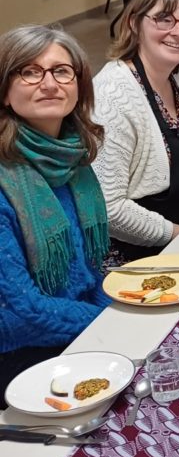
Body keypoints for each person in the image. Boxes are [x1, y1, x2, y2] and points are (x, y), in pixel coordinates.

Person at [0, 25, 110, 400]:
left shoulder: (72, 158)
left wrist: (123, 315)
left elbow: (89, 274)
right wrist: (113, 325)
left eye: (62, 71)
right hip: (19, 354)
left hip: (76, 327)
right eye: (30, 71)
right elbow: (24, 311)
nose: (49, 83)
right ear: (4, 90)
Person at [93, 0, 179, 255]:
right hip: (139, 253)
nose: (178, 32)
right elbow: (109, 209)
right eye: (164, 19)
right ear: (134, 24)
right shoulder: (112, 95)